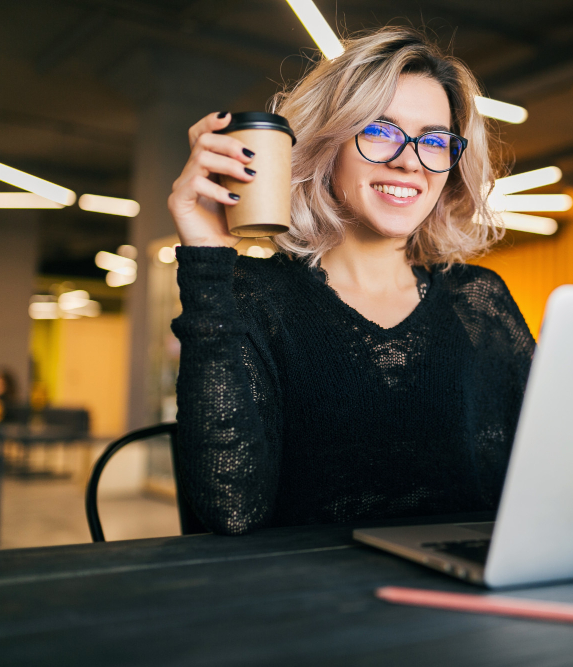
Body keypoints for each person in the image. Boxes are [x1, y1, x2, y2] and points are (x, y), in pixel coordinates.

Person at [168, 27, 535, 535]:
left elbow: (542, 476)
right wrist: (207, 257)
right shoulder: (251, 295)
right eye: (380, 131)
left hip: (466, 594)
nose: (410, 160)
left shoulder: (478, 300)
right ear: (327, 144)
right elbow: (231, 510)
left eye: (433, 140)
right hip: (317, 600)